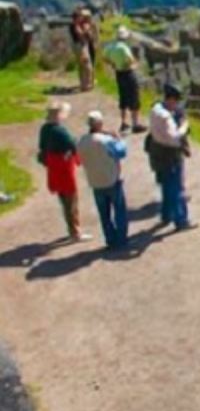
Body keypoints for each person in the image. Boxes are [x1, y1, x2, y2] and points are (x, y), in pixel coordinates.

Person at [37, 101, 89, 243]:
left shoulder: (45, 129)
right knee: (71, 200)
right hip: (65, 168)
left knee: (64, 199)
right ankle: (75, 232)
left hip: (54, 169)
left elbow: (42, 147)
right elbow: (72, 145)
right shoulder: (60, 130)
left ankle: (72, 228)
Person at [77, 110, 129, 250]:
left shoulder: (82, 142)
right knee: (119, 209)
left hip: (95, 181)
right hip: (111, 178)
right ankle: (121, 239)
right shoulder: (106, 141)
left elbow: (79, 160)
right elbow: (122, 152)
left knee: (104, 214)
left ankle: (110, 239)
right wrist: (118, 138)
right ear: (100, 124)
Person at [148, 83, 194, 231]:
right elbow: (175, 137)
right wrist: (185, 127)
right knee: (176, 187)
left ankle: (166, 215)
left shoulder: (155, 110)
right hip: (170, 153)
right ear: (171, 99)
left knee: (166, 186)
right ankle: (181, 219)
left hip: (157, 151)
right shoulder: (166, 117)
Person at [103, 26, 145, 133]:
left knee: (123, 97)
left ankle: (123, 123)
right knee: (134, 97)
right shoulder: (124, 48)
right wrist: (133, 65)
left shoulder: (110, 47)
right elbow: (130, 60)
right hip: (128, 73)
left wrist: (113, 64)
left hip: (118, 73)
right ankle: (135, 124)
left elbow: (104, 57)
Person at [69, 9, 97, 92]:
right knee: (87, 66)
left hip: (80, 46)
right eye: (80, 17)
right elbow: (81, 35)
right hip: (81, 47)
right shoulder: (75, 26)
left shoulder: (75, 25)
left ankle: (83, 83)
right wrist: (87, 29)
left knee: (82, 66)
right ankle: (87, 85)